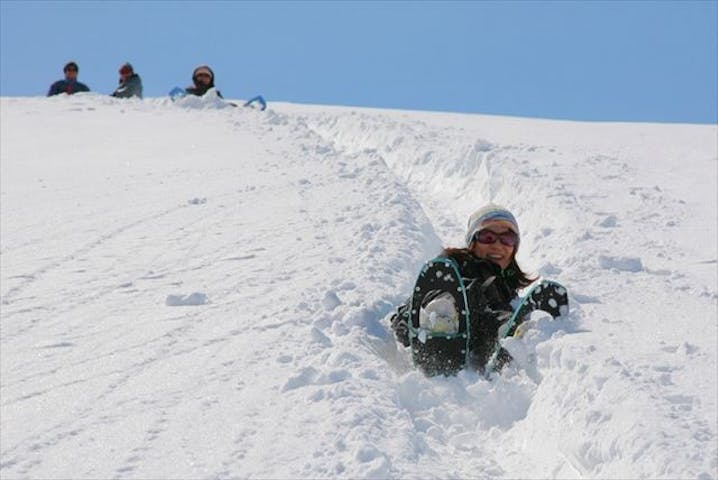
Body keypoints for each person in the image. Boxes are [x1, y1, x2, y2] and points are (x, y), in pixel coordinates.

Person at [390, 204, 536, 373]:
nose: (497, 245)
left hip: (479, 335)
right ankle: (440, 318)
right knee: (462, 292)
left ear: (514, 247)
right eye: (487, 237)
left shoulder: (507, 285)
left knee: (499, 316)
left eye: (507, 239)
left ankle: (506, 334)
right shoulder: (453, 266)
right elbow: (411, 306)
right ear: (472, 242)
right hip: (452, 311)